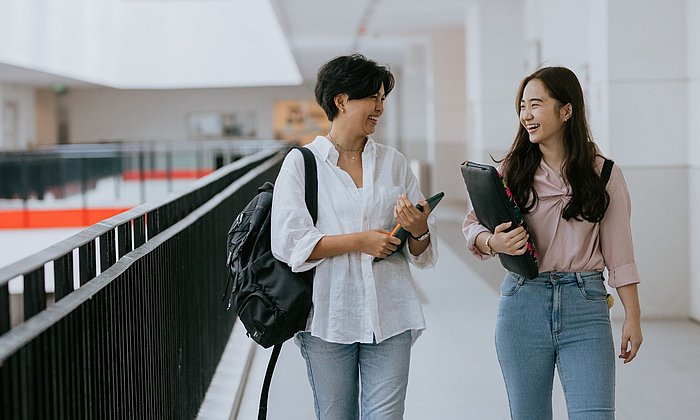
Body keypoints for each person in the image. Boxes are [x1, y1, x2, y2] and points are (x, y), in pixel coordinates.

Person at [463, 66, 643, 420]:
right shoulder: (511, 170)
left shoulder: (604, 174)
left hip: (586, 306)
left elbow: (620, 253)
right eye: (522, 107)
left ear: (566, 111)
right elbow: (472, 226)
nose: (526, 115)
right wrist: (493, 242)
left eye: (535, 105)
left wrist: (633, 317)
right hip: (522, 304)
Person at [271, 54, 438, 420]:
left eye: (383, 100)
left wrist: (418, 229)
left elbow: (421, 252)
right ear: (341, 100)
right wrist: (360, 241)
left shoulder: (394, 162)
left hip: (390, 313)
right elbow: (289, 244)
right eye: (372, 99)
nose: (380, 108)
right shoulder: (302, 163)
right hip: (328, 317)